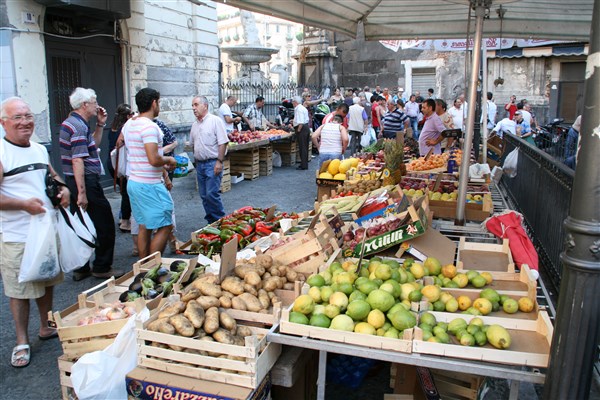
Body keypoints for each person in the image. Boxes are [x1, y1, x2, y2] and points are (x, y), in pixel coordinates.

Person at [0, 97, 70, 368]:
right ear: (3, 123)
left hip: (45, 230)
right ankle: (21, 340)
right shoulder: (2, 152)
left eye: (28, 116)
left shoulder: (40, 149)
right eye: (17, 117)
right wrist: (22, 205)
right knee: (19, 289)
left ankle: (46, 325)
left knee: (47, 279)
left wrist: (64, 189)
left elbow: (53, 177)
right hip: (17, 234)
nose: (25, 122)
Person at [59, 87, 116, 281]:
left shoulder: (74, 123)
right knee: (104, 223)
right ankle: (101, 266)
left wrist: (100, 124)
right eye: (94, 102)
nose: (97, 105)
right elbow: (77, 160)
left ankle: (81, 267)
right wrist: (82, 192)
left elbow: (93, 146)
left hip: (75, 181)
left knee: (80, 223)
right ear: (84, 104)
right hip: (85, 182)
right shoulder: (78, 126)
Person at [122, 88, 177, 259]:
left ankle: (144, 268)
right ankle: (153, 265)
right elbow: (154, 159)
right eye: (158, 102)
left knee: (144, 225)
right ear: (154, 103)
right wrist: (169, 160)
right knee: (166, 224)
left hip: (134, 182)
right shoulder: (149, 127)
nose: (159, 105)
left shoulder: (129, 124)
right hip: (149, 185)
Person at [189, 96, 229, 223]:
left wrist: (219, 161)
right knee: (204, 195)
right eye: (192, 106)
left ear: (205, 106)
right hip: (200, 164)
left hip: (212, 163)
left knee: (212, 194)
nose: (193, 108)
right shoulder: (194, 125)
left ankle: (220, 221)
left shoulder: (215, 121)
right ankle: (211, 221)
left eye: (196, 105)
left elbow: (223, 142)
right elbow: (192, 144)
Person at [107, 104, 134, 232]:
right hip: (121, 164)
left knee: (124, 192)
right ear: (128, 116)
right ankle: (124, 221)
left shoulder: (113, 127)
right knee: (127, 194)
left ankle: (122, 217)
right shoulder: (125, 129)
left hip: (113, 163)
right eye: (132, 114)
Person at [292, 96, 310, 170]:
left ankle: (303, 165)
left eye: (293, 102)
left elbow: (301, 122)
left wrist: (298, 131)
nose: (292, 103)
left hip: (302, 129)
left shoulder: (299, 109)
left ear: (295, 102)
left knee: (302, 147)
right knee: (304, 147)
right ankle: (304, 163)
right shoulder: (302, 108)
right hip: (305, 128)